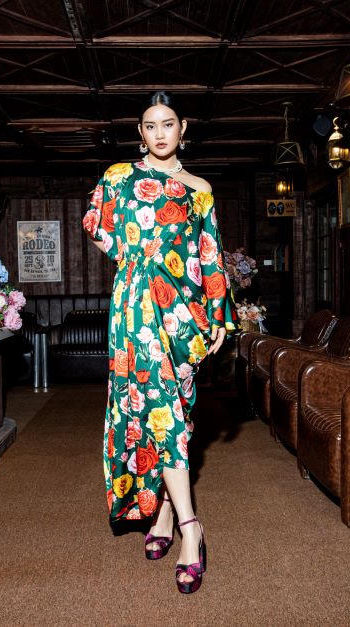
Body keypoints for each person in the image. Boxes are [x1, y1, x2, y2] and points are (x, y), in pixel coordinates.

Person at [82, 90, 240, 594]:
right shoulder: (118, 177)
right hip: (135, 312)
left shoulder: (199, 189)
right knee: (158, 413)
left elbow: (210, 253)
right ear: (140, 133)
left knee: (180, 416)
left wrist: (219, 314)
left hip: (185, 315)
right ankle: (193, 530)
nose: (159, 133)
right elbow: (95, 224)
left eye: (167, 123)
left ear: (183, 128)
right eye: (149, 126)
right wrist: (133, 259)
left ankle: (167, 513)